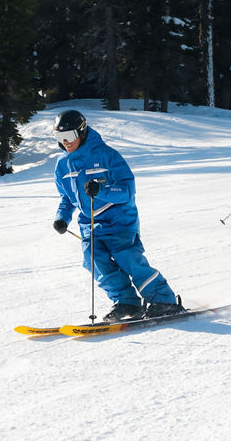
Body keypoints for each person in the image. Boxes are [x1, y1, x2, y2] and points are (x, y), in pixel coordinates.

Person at [51, 109, 183, 321]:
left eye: (70, 136)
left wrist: (101, 190)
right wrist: (62, 218)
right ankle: (127, 302)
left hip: (119, 220)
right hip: (90, 225)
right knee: (93, 261)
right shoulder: (62, 165)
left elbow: (127, 190)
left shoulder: (107, 156)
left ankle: (163, 300)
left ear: (82, 132)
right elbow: (67, 198)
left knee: (128, 258)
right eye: (60, 137)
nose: (65, 142)